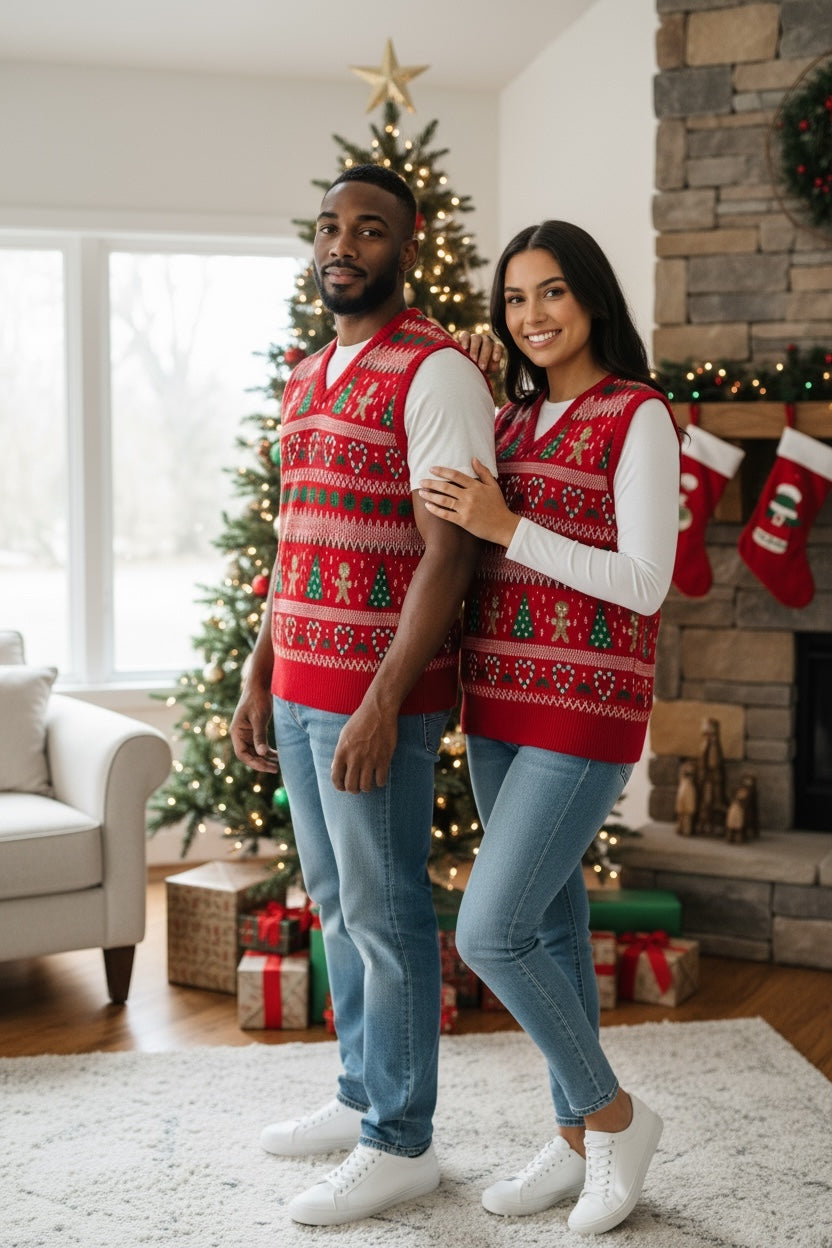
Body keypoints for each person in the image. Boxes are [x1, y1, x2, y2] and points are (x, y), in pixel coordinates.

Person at [229, 163, 497, 1227]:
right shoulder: (305, 374)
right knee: (339, 907)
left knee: (387, 918)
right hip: (296, 685)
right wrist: (259, 668)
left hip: (373, 699)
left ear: (407, 244)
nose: (342, 244)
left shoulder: (432, 373)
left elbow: (452, 552)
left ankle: (403, 1141)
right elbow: (292, 537)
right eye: (330, 227)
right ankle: (360, 1098)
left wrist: (385, 702)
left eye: (369, 228)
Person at [419, 220, 681, 1236]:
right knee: (553, 927)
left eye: (553, 294)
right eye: (515, 299)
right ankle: (576, 1142)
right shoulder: (511, 420)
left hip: (586, 710)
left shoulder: (638, 416)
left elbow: (645, 584)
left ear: (594, 300)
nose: (533, 317)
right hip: (499, 707)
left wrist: (507, 527)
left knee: (489, 931)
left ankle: (616, 1116)